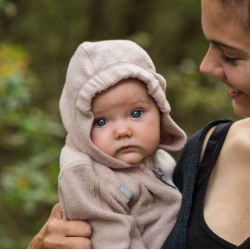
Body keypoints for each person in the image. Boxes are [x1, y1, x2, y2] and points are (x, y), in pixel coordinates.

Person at [28, 0, 250, 248]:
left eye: (230, 55)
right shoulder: (202, 153)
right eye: (101, 121)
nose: (205, 66)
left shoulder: (160, 160)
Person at [33, 40, 186, 249]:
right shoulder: (88, 179)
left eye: (136, 113)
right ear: (80, 128)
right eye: (101, 121)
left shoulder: (159, 158)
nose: (123, 131)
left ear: (160, 109)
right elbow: (110, 242)